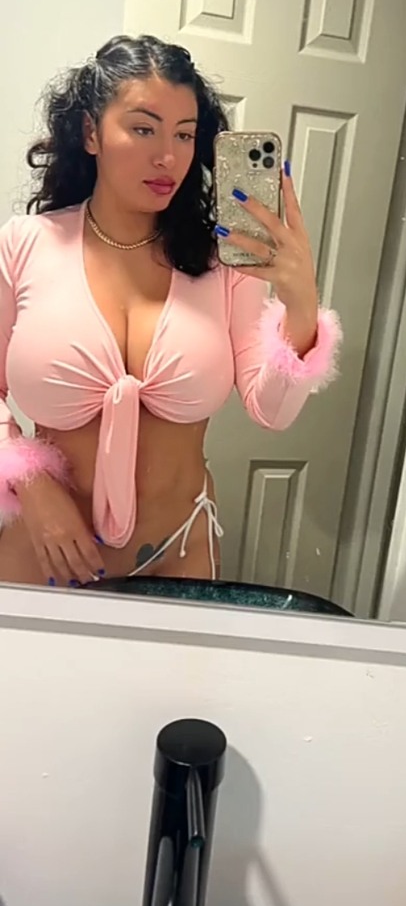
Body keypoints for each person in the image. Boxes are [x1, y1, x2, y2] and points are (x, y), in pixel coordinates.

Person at [0, 34, 341, 588]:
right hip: (42, 554)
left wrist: (300, 299)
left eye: (184, 134)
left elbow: (271, 410)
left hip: (177, 552)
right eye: (144, 129)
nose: (168, 157)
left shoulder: (221, 262)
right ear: (91, 133)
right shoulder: (25, 243)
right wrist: (32, 486)